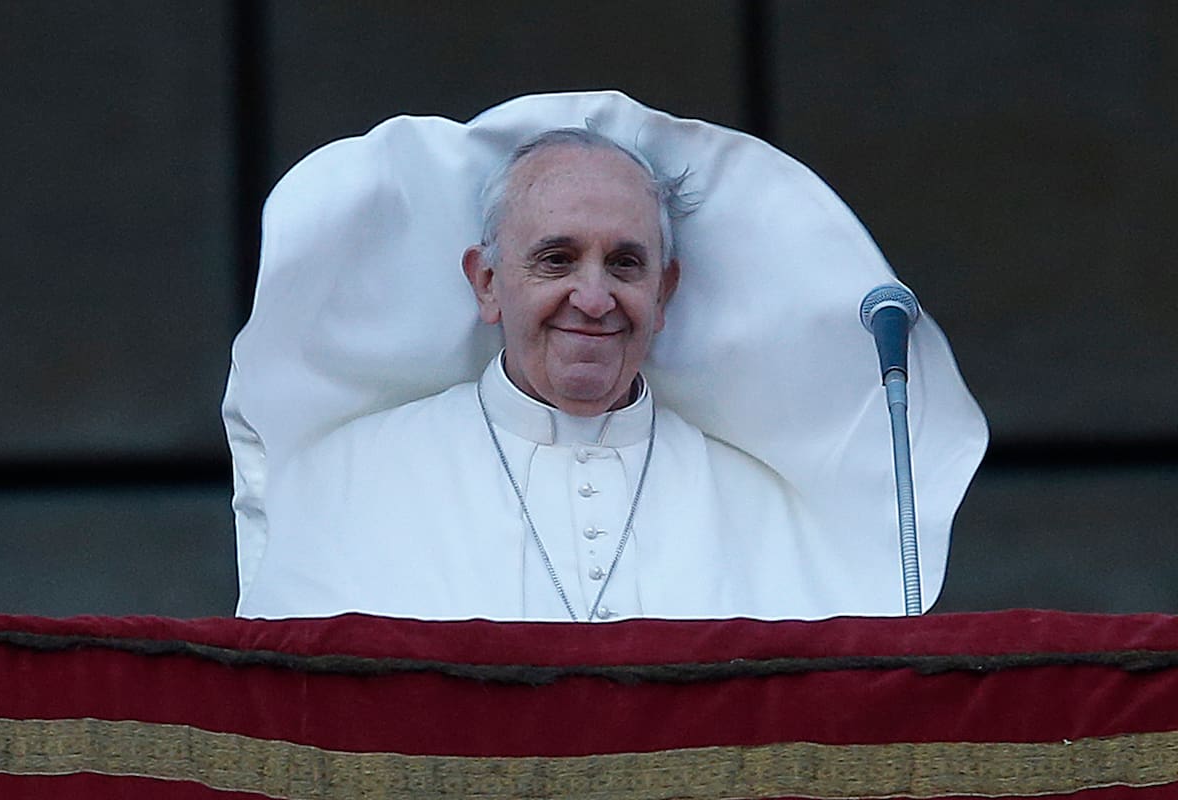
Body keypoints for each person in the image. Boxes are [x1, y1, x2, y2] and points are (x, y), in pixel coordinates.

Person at [225, 91, 988, 621]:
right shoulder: (348, 483)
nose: (593, 298)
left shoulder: (767, 510)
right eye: (556, 260)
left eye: (625, 265)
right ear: (487, 284)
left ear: (665, 294)